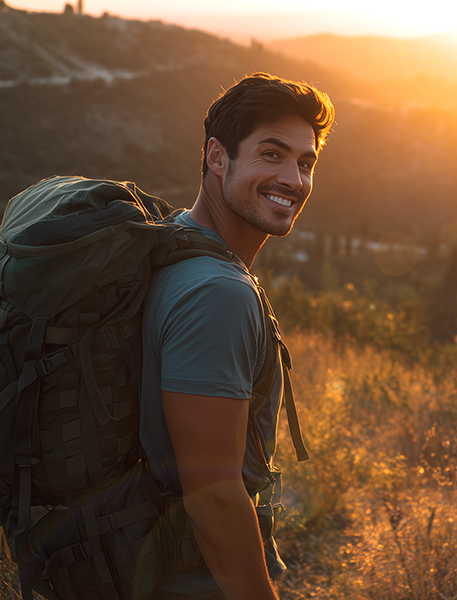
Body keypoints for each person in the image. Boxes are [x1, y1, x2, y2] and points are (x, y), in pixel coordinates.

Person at [139, 73, 335, 599]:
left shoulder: (174, 240)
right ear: (216, 157)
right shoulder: (218, 294)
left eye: (305, 162)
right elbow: (214, 495)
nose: (293, 180)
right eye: (271, 154)